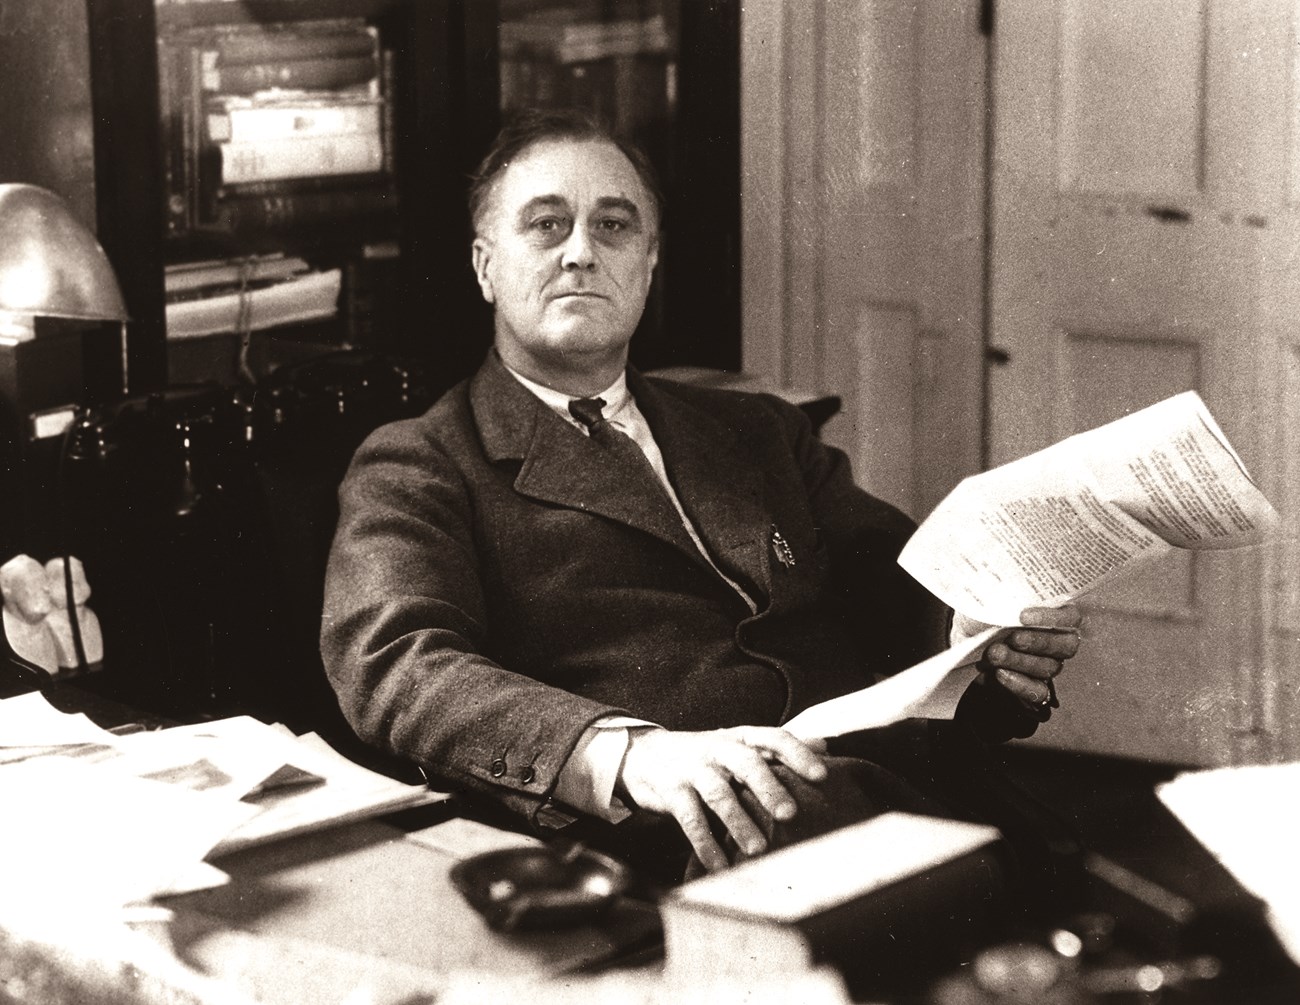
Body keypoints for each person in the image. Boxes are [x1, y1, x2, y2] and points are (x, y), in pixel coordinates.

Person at [321, 109, 1081, 879]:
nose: (581, 251)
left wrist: (979, 631)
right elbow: (399, 666)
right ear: (485, 265)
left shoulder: (758, 429)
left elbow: (900, 576)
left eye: (613, 226)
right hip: (683, 840)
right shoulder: (421, 461)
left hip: (894, 789)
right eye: (547, 225)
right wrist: (630, 754)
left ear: (649, 264)